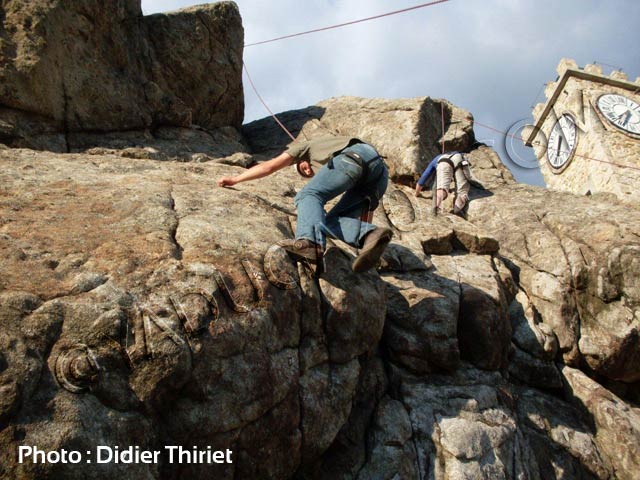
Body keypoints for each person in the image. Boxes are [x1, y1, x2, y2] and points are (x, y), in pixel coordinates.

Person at [217, 135, 393, 272]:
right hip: (380, 174)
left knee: (308, 195)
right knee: (329, 222)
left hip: (353, 158)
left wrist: (235, 179)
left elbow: (269, 166)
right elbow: (366, 210)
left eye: (305, 168)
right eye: (308, 174)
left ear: (302, 161)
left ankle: (309, 243)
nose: (309, 170)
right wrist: (369, 243)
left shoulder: (304, 147)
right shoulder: (331, 146)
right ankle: (368, 235)